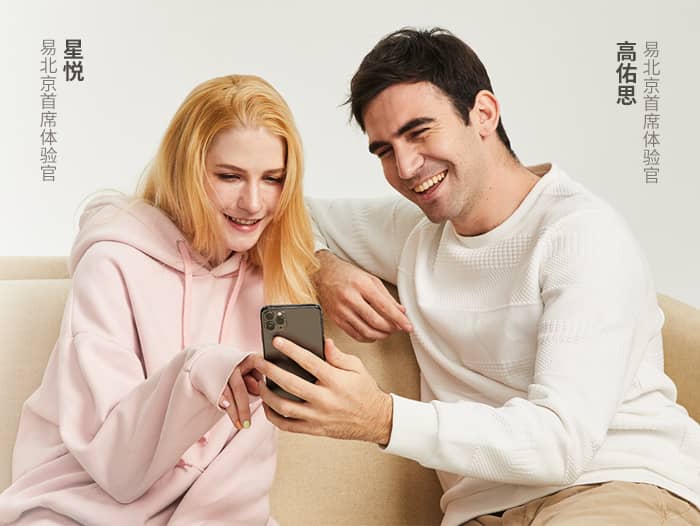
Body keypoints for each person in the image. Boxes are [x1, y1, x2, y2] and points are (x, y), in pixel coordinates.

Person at [255, 28, 700, 525]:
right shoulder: (415, 232)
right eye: (384, 150)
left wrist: (382, 417)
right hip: (481, 511)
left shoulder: (581, 236)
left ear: (484, 113)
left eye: (419, 132)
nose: (406, 166)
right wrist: (322, 266)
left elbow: (561, 444)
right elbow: (279, 212)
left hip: (614, 484)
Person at [0, 74, 317, 525]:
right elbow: (115, 466)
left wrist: (331, 266)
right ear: (186, 170)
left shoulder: (274, 282)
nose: (252, 202)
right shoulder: (113, 264)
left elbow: (243, 474)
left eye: (273, 179)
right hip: (78, 505)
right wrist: (197, 372)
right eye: (229, 176)